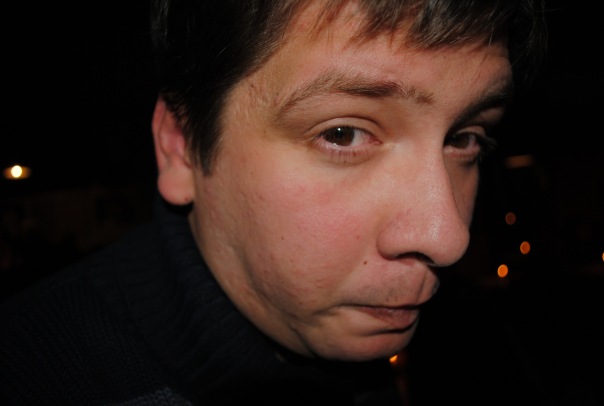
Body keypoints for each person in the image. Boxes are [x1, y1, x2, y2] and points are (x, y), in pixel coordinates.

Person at [0, 0, 547, 404]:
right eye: (343, 134)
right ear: (181, 147)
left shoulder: (467, 355)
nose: (447, 239)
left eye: (464, 138)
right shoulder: (31, 377)